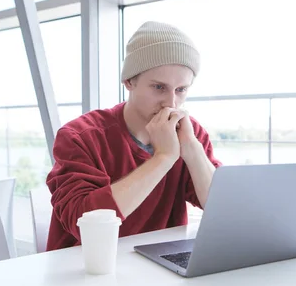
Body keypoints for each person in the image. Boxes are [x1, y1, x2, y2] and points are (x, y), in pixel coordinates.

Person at [45, 21, 222, 251]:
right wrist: (163, 158)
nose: (171, 103)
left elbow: (222, 210)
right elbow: (85, 223)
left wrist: (193, 150)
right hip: (85, 271)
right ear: (129, 81)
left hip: (158, 270)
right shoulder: (80, 136)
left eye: (181, 90)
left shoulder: (190, 133)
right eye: (159, 87)